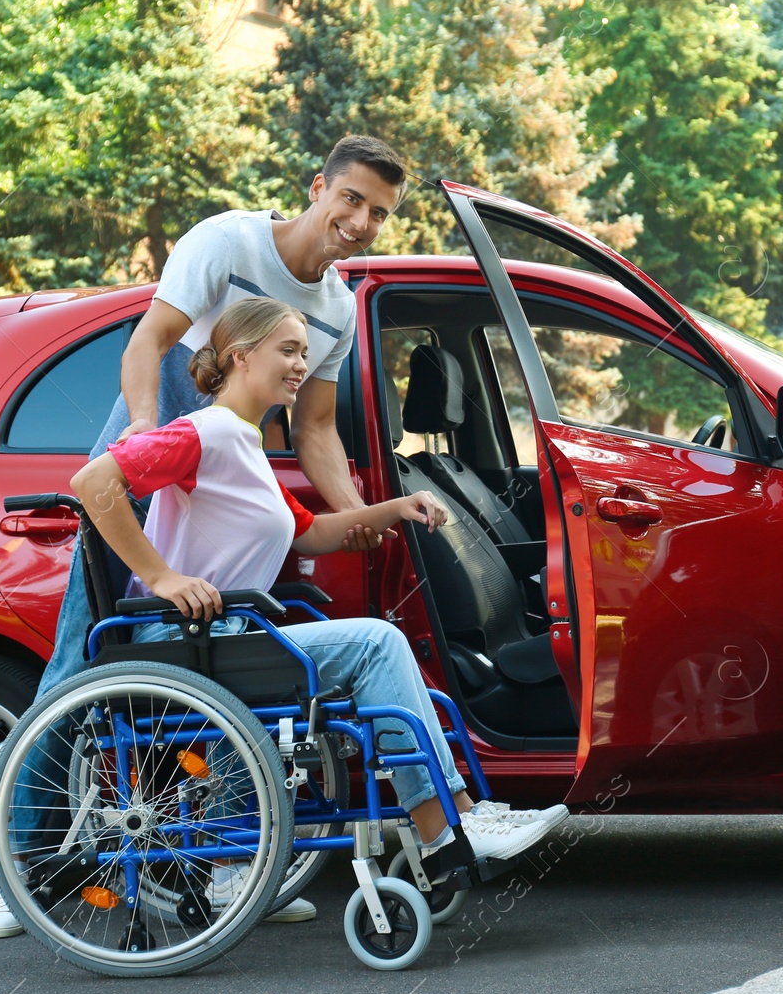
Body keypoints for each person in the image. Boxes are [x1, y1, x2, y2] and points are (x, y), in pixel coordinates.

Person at [0, 135, 409, 939]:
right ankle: (12, 867)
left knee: (243, 673)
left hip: (222, 488)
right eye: (351, 199)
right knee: (84, 660)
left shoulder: (336, 307)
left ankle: (242, 870)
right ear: (318, 187)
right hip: (151, 459)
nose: (360, 221)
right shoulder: (229, 241)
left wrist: (360, 523)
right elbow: (149, 342)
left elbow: (316, 430)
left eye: (379, 213)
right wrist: (145, 432)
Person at [83, 300, 568, 899]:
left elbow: (308, 532)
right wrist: (162, 578)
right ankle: (445, 823)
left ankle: (241, 875)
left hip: (226, 637)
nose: (300, 367)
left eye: (305, 355)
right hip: (185, 640)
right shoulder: (202, 433)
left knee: (374, 648)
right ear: (241, 357)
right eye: (288, 351)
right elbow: (94, 482)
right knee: (376, 642)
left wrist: (396, 509)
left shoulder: (245, 444)